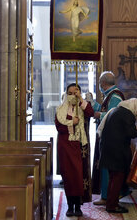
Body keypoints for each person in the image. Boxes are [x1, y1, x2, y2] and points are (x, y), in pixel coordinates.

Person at [98, 98, 137, 213]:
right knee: (117, 179)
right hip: (117, 152)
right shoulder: (127, 114)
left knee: (113, 178)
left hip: (109, 150)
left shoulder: (117, 110)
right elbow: (132, 133)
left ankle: (111, 202)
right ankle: (112, 206)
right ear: (136, 108)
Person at [86, 71, 125, 205]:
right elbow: (104, 110)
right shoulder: (110, 95)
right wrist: (92, 103)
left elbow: (112, 115)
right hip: (107, 135)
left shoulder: (115, 96)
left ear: (103, 83)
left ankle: (107, 196)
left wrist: (98, 115)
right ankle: (105, 194)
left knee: (107, 166)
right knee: (104, 164)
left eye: (100, 83)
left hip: (111, 137)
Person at [55, 83, 94, 217]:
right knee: (68, 176)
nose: (72, 96)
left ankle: (78, 205)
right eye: (70, 93)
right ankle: (70, 205)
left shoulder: (82, 107)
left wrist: (81, 99)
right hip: (65, 146)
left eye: (75, 93)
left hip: (79, 146)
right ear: (66, 94)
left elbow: (91, 113)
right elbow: (59, 127)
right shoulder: (61, 109)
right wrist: (73, 123)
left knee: (79, 176)